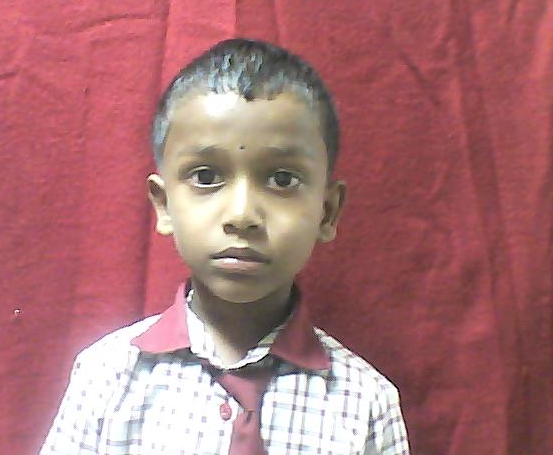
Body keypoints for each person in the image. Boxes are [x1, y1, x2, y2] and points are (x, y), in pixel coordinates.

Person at [40, 38, 410, 454]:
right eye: (205, 177)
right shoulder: (106, 379)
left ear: (326, 212)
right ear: (164, 205)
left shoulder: (365, 405)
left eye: (282, 179)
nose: (241, 214)